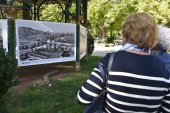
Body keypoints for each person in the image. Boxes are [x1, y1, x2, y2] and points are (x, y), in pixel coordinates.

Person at [77, 12, 170, 113]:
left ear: (125, 33)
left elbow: (83, 98)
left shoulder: (110, 61)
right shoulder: (164, 69)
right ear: (154, 37)